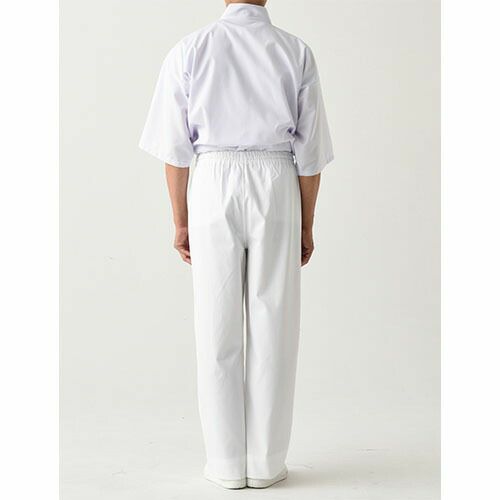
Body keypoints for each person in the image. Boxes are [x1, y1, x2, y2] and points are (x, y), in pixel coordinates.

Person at [139, 0, 333, 490]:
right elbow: (310, 153)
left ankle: (226, 464)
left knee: (215, 324)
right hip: (276, 178)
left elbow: (174, 148)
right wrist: (306, 223)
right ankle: (265, 464)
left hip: (212, 179)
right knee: (275, 323)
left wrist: (180, 221)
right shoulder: (294, 51)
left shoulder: (190, 49)